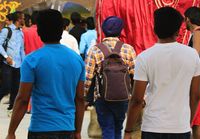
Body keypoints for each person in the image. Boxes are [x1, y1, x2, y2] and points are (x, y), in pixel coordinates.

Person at [124, 7, 200, 139]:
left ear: (155, 29)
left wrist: (128, 131)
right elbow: (195, 96)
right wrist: (187, 121)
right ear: (178, 31)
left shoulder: (145, 57)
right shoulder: (192, 55)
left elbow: (137, 100)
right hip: (180, 127)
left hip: (152, 127)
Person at [6, 9, 86, 139]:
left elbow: (22, 99)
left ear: (39, 31)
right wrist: (77, 131)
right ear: (62, 30)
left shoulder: (32, 60)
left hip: (40, 129)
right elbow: (80, 99)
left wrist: (11, 132)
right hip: (68, 128)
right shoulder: (76, 60)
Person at [85, 16, 136, 139]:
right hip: (123, 97)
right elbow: (135, 75)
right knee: (118, 127)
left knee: (107, 128)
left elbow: (87, 78)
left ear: (103, 30)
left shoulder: (95, 50)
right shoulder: (128, 49)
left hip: (102, 98)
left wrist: (85, 97)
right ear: (120, 31)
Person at [184, 6, 200, 139]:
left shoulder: (198, 33)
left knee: (189, 121)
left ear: (188, 19)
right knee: (197, 122)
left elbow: (195, 55)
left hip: (196, 85)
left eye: (185, 20)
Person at [0, 11, 25, 112]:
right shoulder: (7, 30)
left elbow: (21, 49)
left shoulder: (21, 32)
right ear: (18, 19)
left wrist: (24, 63)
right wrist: (6, 57)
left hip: (18, 64)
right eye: (22, 18)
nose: (24, 20)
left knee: (16, 88)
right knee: (6, 86)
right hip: (7, 63)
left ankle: (12, 108)